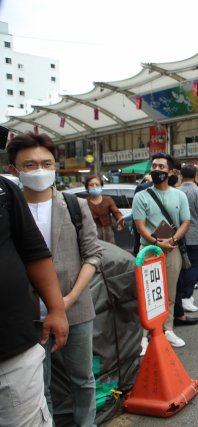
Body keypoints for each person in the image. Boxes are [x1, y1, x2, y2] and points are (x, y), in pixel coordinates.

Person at [9, 132, 103, 427]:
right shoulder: (9, 210)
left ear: (55, 166)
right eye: (29, 165)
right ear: (14, 170)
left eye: (46, 163)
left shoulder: (75, 206)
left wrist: (64, 302)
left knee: (83, 379)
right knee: (38, 384)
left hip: (75, 309)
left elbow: (93, 256)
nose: (39, 170)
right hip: (27, 316)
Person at [0, 175, 69, 427]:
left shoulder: (4, 190)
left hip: (12, 349)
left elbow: (33, 251)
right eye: (30, 165)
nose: (39, 171)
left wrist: (57, 308)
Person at [132, 152, 190, 348]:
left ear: (171, 171)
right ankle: (143, 337)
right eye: (154, 166)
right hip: (148, 251)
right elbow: (141, 227)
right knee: (147, 293)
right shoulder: (141, 196)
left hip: (172, 250)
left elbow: (185, 223)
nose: (157, 170)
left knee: (170, 293)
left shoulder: (180, 195)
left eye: (161, 167)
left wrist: (172, 240)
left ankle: (168, 330)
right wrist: (158, 244)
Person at [175, 164, 198, 325]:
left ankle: (182, 295)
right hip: (196, 234)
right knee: (195, 265)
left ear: (181, 175)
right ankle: (186, 296)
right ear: (195, 176)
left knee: (180, 266)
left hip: (178, 235)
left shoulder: (175, 192)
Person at [84, 175, 124, 244]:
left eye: (97, 184)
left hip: (107, 231)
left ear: (101, 186)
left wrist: (120, 220)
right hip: (90, 232)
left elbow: (116, 212)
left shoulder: (108, 200)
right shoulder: (84, 202)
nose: (94, 187)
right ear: (87, 188)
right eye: (91, 185)